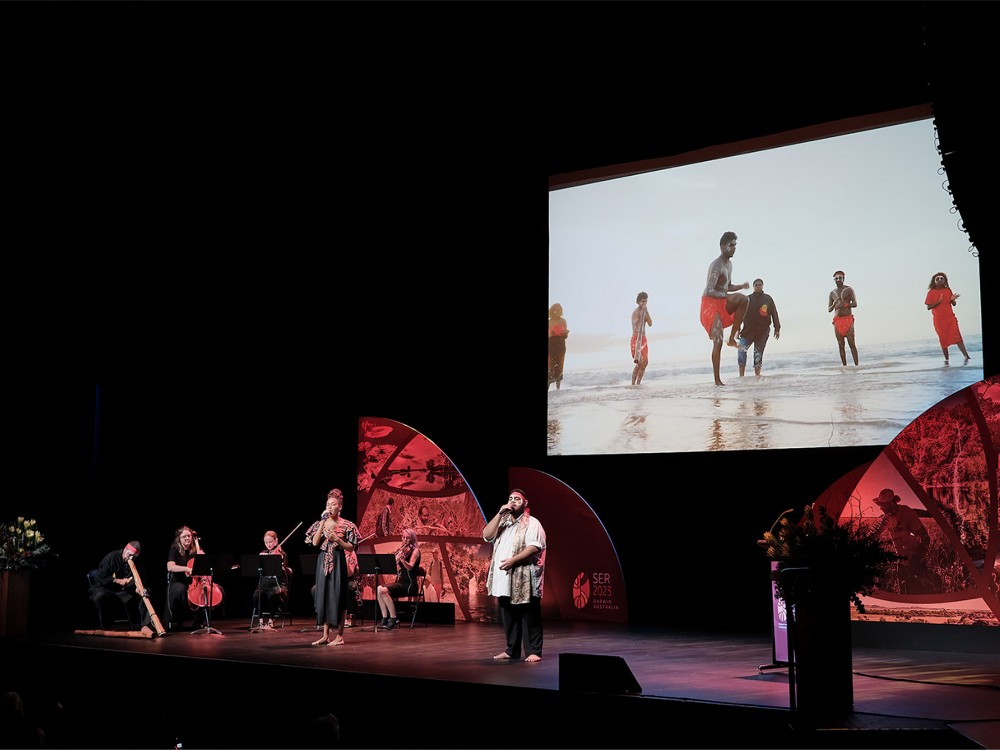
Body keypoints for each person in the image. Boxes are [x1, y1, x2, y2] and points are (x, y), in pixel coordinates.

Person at [483, 488, 546, 663]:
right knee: (508, 615)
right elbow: (487, 535)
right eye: (510, 498)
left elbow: (534, 547)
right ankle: (512, 649)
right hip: (505, 578)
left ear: (525, 503)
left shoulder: (533, 523)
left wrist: (514, 561)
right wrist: (499, 513)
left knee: (528, 614)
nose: (513, 501)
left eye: (517, 499)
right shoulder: (503, 523)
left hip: (524, 577)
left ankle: (534, 650)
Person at [305, 488, 359, 646]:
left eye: (333, 504)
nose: (330, 507)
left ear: (340, 507)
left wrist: (337, 539)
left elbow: (351, 548)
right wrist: (322, 523)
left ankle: (340, 636)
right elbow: (314, 542)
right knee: (323, 595)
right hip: (323, 561)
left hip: (337, 560)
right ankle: (325, 635)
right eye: (328, 504)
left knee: (338, 595)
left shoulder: (347, 525)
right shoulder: (320, 522)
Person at [701, 231, 749, 386]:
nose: (734, 248)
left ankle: (733, 337)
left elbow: (727, 286)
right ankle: (717, 380)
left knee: (743, 299)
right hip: (710, 304)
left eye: (735, 245)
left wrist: (740, 286)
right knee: (718, 341)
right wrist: (726, 295)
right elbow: (709, 290)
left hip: (721, 300)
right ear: (722, 247)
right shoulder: (716, 265)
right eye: (731, 245)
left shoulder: (729, 265)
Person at [872, 488, 937, 594]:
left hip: (915, 561)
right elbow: (876, 532)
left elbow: (925, 537)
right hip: (901, 561)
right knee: (903, 591)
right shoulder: (886, 518)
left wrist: (916, 560)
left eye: (883, 505)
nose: (881, 508)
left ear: (892, 503)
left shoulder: (907, 512)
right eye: (880, 504)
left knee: (920, 591)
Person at [88, 540, 153, 634]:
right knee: (99, 596)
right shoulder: (112, 557)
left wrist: (137, 587)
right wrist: (118, 580)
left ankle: (145, 625)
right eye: (130, 555)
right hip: (106, 588)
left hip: (124, 590)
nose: (131, 558)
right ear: (125, 549)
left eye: (134, 556)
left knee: (145, 592)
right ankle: (105, 627)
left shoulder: (137, 560)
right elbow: (100, 576)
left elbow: (143, 577)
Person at [375, 528, 421, 629]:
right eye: (403, 537)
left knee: (383, 591)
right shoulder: (402, 550)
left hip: (409, 584)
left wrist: (403, 560)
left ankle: (394, 618)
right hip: (401, 582)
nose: (405, 540)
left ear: (412, 539)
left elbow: (410, 567)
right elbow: (393, 564)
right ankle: (384, 617)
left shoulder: (415, 551)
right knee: (378, 589)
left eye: (408, 538)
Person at [924, 271, 971, 366]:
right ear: (934, 281)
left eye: (942, 278)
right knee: (943, 339)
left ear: (945, 280)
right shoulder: (931, 292)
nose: (940, 280)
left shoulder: (948, 290)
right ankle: (947, 360)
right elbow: (928, 307)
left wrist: (953, 300)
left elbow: (953, 304)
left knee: (957, 337)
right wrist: (939, 301)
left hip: (950, 318)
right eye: (938, 279)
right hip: (939, 320)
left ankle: (966, 356)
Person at [736, 278, 780, 377]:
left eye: (760, 284)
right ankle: (741, 376)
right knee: (741, 350)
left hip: (762, 331)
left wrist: (777, 328)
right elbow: (739, 314)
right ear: (753, 286)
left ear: (762, 286)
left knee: (758, 354)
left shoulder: (768, 299)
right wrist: (738, 329)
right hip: (748, 331)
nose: (758, 286)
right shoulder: (747, 299)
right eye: (756, 285)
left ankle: (757, 377)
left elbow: (774, 313)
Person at [165, 526, 204, 631]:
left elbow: (203, 564)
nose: (187, 538)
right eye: (184, 536)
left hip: (193, 582)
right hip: (178, 581)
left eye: (189, 536)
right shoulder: (175, 550)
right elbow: (170, 567)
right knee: (180, 589)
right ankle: (178, 621)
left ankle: (199, 622)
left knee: (204, 591)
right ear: (179, 538)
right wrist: (186, 568)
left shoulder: (195, 550)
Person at [252, 529, 292, 628]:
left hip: (278, 584)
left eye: (270, 542)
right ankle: (260, 620)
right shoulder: (262, 554)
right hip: (264, 584)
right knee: (257, 595)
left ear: (276, 541)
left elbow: (283, 568)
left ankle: (271, 619)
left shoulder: (282, 554)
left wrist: (278, 557)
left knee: (272, 594)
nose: (268, 545)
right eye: (266, 542)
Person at [828, 270, 859, 366]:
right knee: (841, 346)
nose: (838, 280)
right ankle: (844, 368)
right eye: (836, 278)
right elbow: (829, 309)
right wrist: (835, 304)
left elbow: (855, 304)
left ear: (843, 279)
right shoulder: (832, 293)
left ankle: (857, 366)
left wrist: (845, 304)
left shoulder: (849, 290)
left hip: (847, 320)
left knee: (852, 344)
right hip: (838, 321)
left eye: (840, 278)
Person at [630, 292, 653, 385]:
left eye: (646, 301)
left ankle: (638, 383)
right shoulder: (635, 312)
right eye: (643, 301)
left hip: (643, 338)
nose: (645, 303)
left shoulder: (645, 311)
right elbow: (635, 325)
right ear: (638, 302)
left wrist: (646, 312)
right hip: (636, 339)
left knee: (645, 362)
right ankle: (632, 383)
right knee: (639, 362)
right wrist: (641, 315)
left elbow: (650, 324)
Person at [547, 302, 569, 390]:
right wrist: (552, 333)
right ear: (552, 311)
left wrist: (566, 333)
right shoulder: (549, 321)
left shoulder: (563, 321)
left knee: (560, 365)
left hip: (561, 344)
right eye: (555, 310)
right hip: (551, 344)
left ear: (561, 311)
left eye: (558, 310)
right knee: (550, 365)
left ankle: (558, 389)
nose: (556, 311)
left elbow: (565, 336)